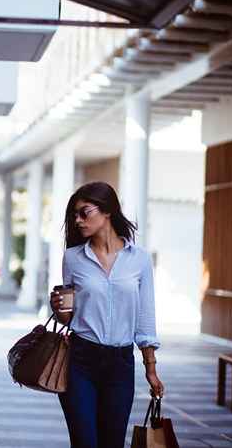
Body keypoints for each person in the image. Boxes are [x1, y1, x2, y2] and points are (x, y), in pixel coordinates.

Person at [49, 181, 164, 448]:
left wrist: (151, 369)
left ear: (107, 211)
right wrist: (59, 310)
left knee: (112, 443)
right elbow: (68, 318)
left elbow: (145, 318)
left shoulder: (140, 259)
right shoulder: (73, 257)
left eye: (84, 212)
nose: (77, 221)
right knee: (84, 442)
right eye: (74, 216)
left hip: (120, 365)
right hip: (80, 361)